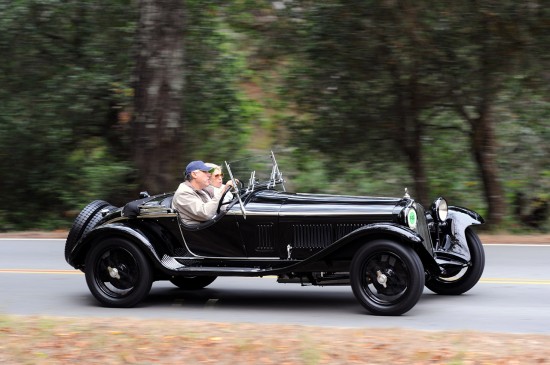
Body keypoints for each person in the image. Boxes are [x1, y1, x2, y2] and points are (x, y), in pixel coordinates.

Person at [172, 160, 233, 225]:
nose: (209, 174)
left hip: (210, 227)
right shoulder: (183, 193)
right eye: (205, 172)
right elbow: (205, 214)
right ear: (194, 174)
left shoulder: (203, 189)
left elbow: (222, 206)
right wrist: (223, 191)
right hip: (196, 232)